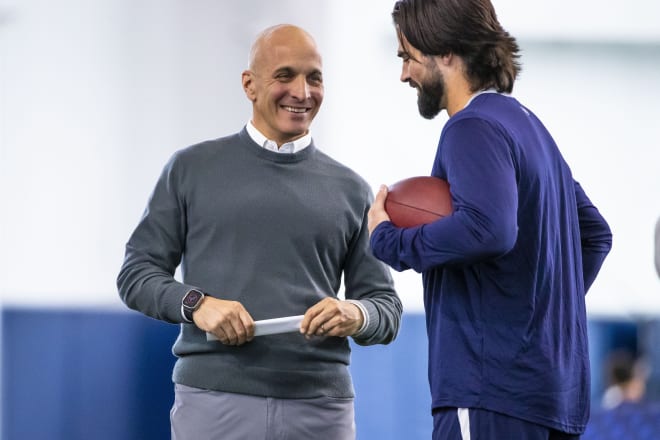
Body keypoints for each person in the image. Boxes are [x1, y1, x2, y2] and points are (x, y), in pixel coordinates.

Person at [117, 24, 402, 440]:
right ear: (250, 85)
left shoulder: (351, 189)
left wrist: (355, 313)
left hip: (320, 407)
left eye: (314, 77)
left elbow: (386, 308)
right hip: (213, 401)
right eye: (285, 75)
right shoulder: (191, 169)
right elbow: (136, 274)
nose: (302, 92)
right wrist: (196, 303)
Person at [367, 1, 613, 439]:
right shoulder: (529, 127)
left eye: (407, 57)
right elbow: (594, 235)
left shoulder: (471, 127)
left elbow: (488, 229)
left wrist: (387, 239)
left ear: (446, 52)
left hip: (488, 392)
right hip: (552, 396)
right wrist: (532, 312)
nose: (403, 74)